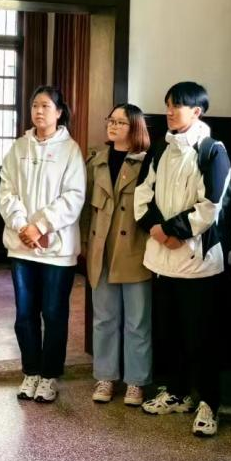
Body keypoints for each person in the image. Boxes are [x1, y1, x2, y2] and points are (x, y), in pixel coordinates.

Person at [135, 81, 231, 438]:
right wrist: (156, 228)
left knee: (201, 336)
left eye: (178, 106)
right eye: (168, 105)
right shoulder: (161, 149)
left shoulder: (212, 151)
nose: (170, 112)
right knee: (169, 331)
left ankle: (208, 402)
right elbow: (142, 193)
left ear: (197, 111)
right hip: (162, 258)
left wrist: (175, 231)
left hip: (198, 262)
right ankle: (176, 392)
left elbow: (212, 204)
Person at [0, 85, 86, 405]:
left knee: (53, 313)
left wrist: (42, 225)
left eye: (46, 106)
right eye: (35, 105)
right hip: (21, 245)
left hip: (57, 250)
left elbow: (74, 196)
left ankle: (49, 375)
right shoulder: (19, 147)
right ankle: (31, 371)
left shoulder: (70, 150)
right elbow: (7, 191)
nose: (38, 111)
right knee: (24, 314)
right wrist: (23, 226)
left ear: (59, 112)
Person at [81, 103, 152, 406]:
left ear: (135, 127)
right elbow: (86, 208)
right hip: (102, 250)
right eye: (111, 120)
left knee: (137, 321)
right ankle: (105, 376)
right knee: (104, 318)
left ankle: (136, 381)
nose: (113, 125)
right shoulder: (96, 160)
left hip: (134, 249)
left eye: (121, 122)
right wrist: (84, 244)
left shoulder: (146, 161)